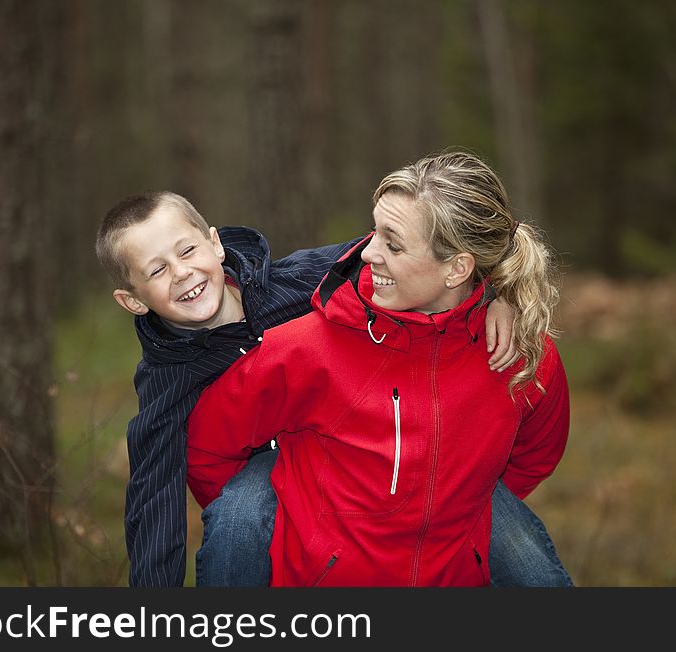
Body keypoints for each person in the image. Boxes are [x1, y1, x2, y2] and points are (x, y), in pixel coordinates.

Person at [94, 190, 522, 586]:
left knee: (499, 523)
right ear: (132, 300)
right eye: (156, 270)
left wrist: (496, 292)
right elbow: (154, 508)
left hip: (356, 442)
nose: (182, 273)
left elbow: (419, 251)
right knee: (238, 516)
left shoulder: (295, 282)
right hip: (264, 467)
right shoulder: (167, 381)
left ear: (215, 244)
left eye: (186, 251)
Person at [186, 151, 571, 586]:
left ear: (457, 268)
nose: (368, 253)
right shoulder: (304, 348)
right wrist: (291, 539)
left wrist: (466, 532)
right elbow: (209, 449)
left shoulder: (519, 353)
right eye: (375, 232)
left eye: (394, 242)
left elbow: (534, 455)